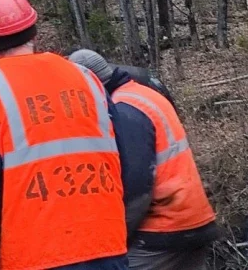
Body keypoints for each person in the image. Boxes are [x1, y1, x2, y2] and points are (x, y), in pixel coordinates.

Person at [0, 0, 129, 270]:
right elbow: (123, 165)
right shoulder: (87, 79)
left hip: (35, 259)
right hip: (107, 250)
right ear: (34, 32)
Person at [71, 50, 218, 270]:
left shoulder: (124, 112)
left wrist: (117, 240)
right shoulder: (144, 94)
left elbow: (137, 189)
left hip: (161, 230)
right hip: (193, 220)